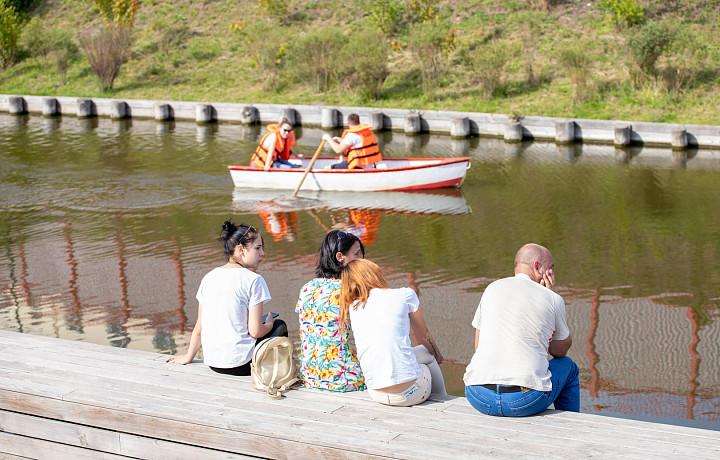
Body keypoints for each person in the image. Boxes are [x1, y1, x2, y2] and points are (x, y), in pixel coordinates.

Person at [464, 243, 580, 416]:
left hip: (479, 395)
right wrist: (552, 296)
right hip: (524, 400)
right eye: (551, 268)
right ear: (537, 267)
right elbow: (559, 351)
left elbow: (478, 345)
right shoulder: (552, 298)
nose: (552, 273)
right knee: (568, 366)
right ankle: (570, 425)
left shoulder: (491, 289)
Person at [167, 221, 288, 376]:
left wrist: (188, 356)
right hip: (242, 365)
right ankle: (274, 376)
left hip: (213, 362)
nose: (262, 253)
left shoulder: (209, 277)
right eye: (257, 248)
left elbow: (199, 327)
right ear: (240, 250)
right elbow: (256, 331)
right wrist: (269, 325)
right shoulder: (254, 280)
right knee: (279, 325)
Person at [340, 259, 446, 406]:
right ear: (374, 274)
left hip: (376, 393)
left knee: (413, 356)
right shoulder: (405, 295)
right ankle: (444, 401)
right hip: (410, 394)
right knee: (427, 356)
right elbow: (424, 336)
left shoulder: (353, 307)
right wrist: (438, 355)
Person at [295, 230, 366, 392]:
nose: (361, 259)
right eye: (357, 254)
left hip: (310, 375)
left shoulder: (307, 288)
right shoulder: (350, 290)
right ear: (340, 257)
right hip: (343, 377)